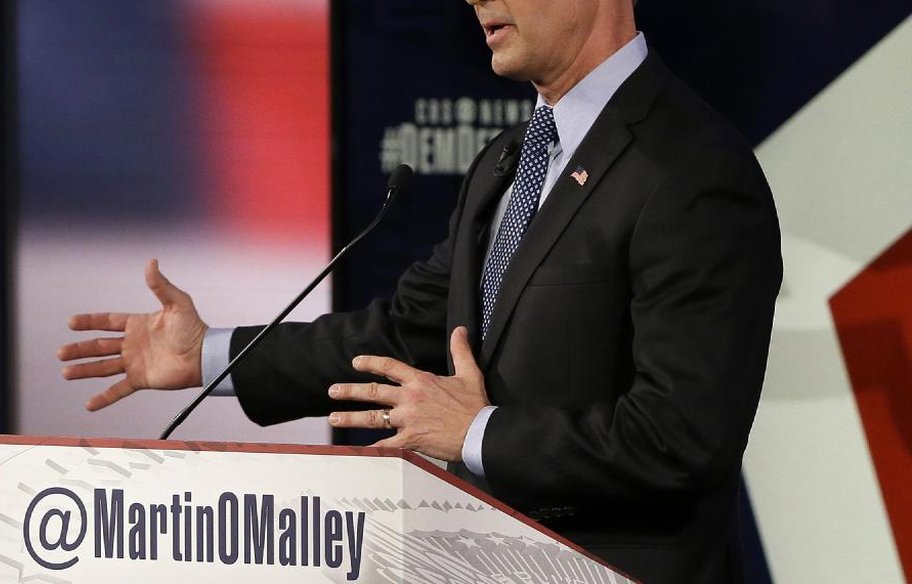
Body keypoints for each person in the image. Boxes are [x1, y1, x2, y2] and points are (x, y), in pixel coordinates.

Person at [59, 1, 782, 582]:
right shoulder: (509, 161)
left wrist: (475, 433)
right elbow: (403, 335)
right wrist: (210, 357)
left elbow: (681, 439)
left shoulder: (689, 168)